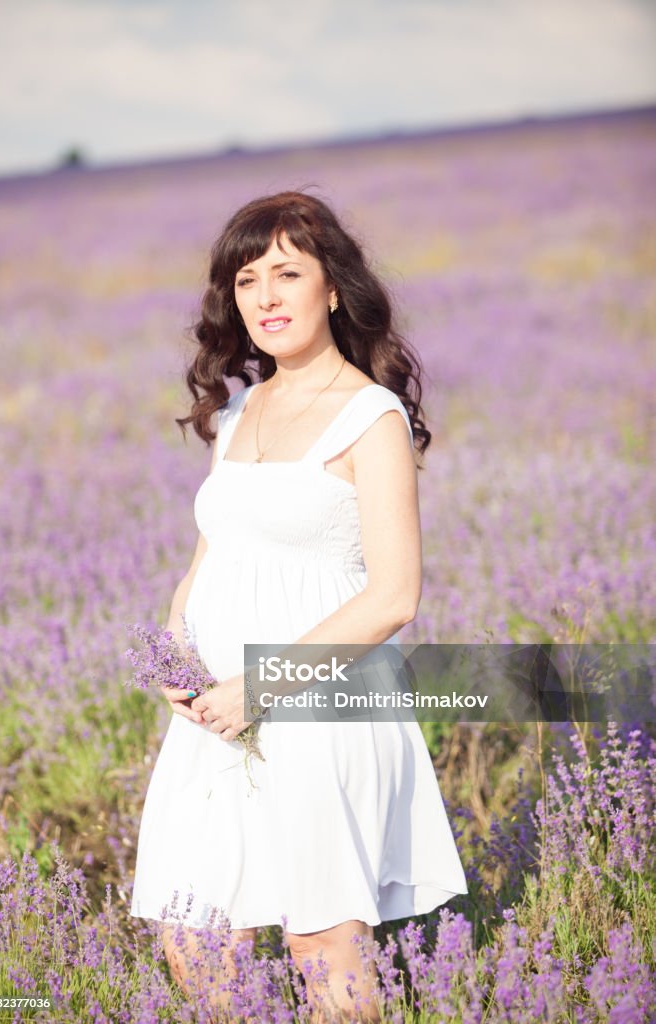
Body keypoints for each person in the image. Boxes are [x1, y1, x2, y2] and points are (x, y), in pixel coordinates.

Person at [129, 190, 469, 1021]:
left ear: (333, 289)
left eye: (288, 273)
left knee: (323, 942)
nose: (267, 298)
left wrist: (263, 686)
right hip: (215, 710)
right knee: (196, 936)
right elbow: (210, 560)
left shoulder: (369, 417)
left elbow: (395, 597)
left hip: (319, 700)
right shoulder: (242, 408)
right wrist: (174, 659)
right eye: (248, 280)